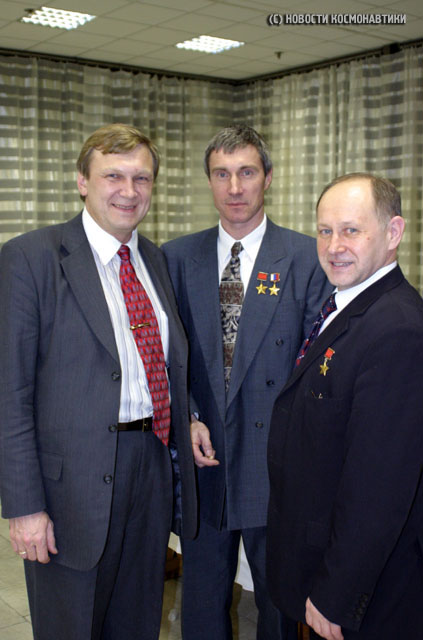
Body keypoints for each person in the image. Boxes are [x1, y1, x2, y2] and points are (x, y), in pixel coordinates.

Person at [0, 123, 197, 640]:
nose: (129, 191)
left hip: (149, 467)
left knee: (136, 621)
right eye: (114, 176)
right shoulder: (31, 259)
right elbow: (9, 394)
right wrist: (24, 507)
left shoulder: (154, 259)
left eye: (142, 178)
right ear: (83, 181)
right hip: (70, 488)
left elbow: (164, 364)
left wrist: (189, 419)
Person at [162, 125, 330, 640]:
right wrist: (188, 415)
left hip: (274, 467)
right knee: (201, 604)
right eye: (222, 174)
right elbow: (165, 359)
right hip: (204, 465)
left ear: (268, 178)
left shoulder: (308, 258)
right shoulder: (175, 258)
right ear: (209, 181)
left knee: (278, 610)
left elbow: (319, 370)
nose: (234, 187)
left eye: (247, 173)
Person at [266, 173, 423, 640]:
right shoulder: (347, 304)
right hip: (319, 563)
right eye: (325, 230)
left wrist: (337, 592)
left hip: (365, 595)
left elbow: (379, 488)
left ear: (393, 233)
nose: (334, 246)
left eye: (351, 230)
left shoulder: (397, 330)